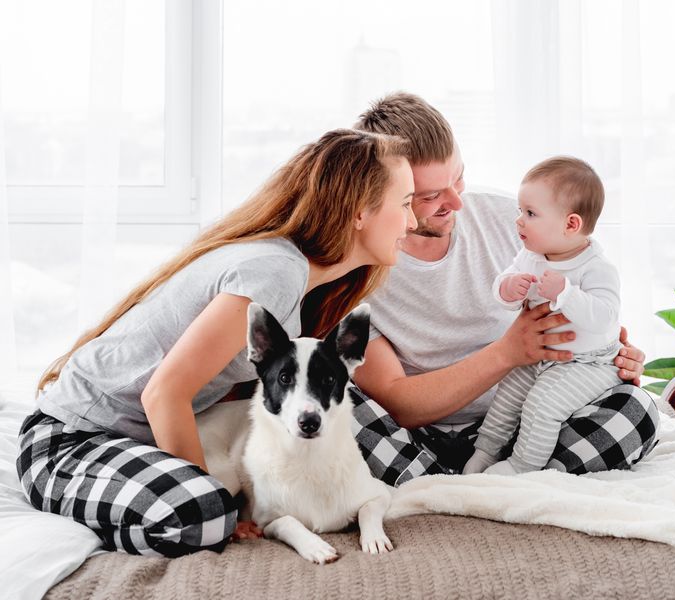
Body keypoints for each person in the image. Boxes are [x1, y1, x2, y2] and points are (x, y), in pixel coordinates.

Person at [15, 129, 417, 557]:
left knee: (338, 399)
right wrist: (223, 504)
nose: (412, 222)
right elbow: (164, 393)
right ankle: (129, 523)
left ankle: (440, 477)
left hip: (132, 441)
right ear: (360, 211)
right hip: (69, 444)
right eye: (406, 204)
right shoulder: (274, 273)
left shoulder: (291, 274)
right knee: (205, 515)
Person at [349, 92, 659, 486]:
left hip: (528, 426)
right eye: (430, 196)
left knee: (638, 410)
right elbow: (397, 403)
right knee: (337, 406)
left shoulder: (513, 220)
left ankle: (483, 482)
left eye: (458, 177)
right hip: (417, 436)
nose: (457, 202)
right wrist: (508, 352)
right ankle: (486, 484)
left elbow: (588, 308)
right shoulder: (355, 269)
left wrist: (612, 357)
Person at [463, 156, 625, 476]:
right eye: (520, 212)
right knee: (507, 395)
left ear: (571, 224)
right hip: (539, 356)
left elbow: (604, 318)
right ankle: (485, 451)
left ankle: (523, 465)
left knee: (543, 404)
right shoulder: (531, 256)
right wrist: (509, 288)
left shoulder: (597, 268)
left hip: (587, 362)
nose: (519, 221)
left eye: (531, 214)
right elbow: (503, 292)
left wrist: (566, 293)